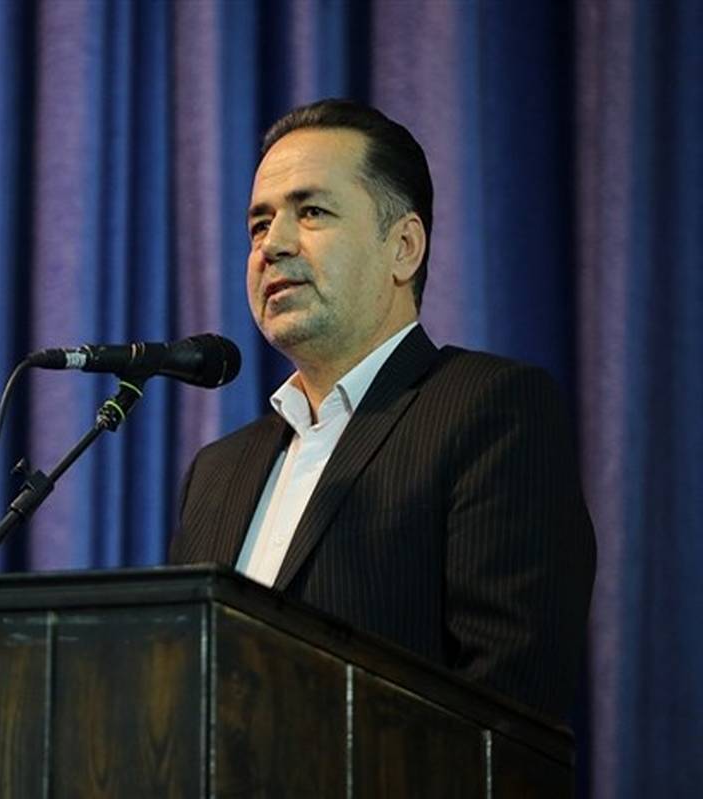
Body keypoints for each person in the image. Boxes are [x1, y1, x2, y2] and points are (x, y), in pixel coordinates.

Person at [168, 99, 595, 720]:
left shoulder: (489, 412)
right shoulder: (216, 473)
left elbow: (507, 707)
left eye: (311, 212)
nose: (272, 245)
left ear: (404, 248)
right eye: (259, 225)